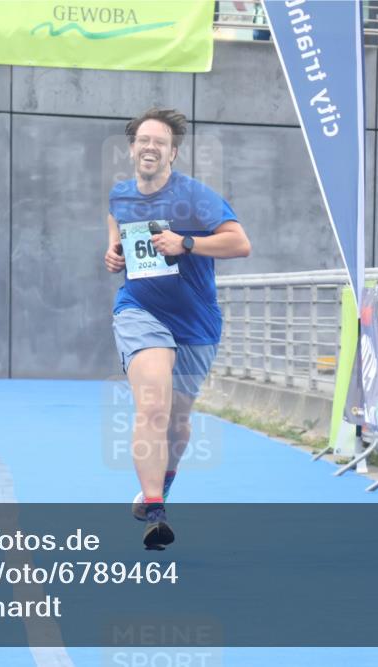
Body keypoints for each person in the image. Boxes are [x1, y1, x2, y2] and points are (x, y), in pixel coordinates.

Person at [104, 108, 251, 549]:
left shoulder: (197, 198)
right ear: (131, 148)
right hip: (140, 310)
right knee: (152, 405)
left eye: (159, 142)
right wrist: (114, 258)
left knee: (178, 424)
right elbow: (116, 244)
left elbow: (240, 244)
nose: (150, 147)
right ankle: (155, 511)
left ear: (173, 153)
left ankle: (162, 483)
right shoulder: (119, 197)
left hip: (195, 321)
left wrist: (187, 243)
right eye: (143, 140)